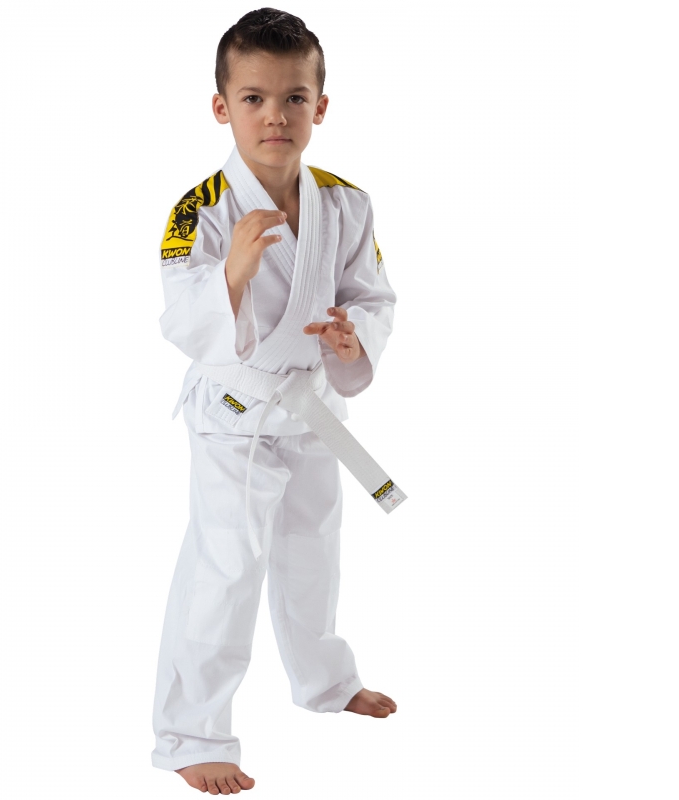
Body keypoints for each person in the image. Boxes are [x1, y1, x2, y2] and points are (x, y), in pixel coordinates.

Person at [152, 8, 400, 795]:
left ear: (320, 106)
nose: (275, 116)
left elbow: (373, 296)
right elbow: (182, 320)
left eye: (294, 98)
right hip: (236, 415)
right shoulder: (200, 209)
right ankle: (191, 732)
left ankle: (325, 681)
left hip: (313, 406)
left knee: (313, 551)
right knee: (226, 566)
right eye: (254, 98)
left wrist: (352, 339)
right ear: (221, 106)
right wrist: (231, 273)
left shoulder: (347, 202)